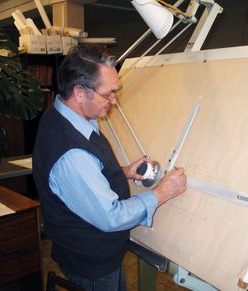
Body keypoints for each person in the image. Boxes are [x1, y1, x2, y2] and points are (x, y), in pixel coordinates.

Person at [32, 45, 186, 291]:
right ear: (80, 92)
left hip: (90, 253)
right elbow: (111, 217)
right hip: (91, 263)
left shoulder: (63, 114)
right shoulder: (72, 154)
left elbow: (85, 178)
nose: (114, 101)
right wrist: (163, 192)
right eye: (108, 94)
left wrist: (123, 171)